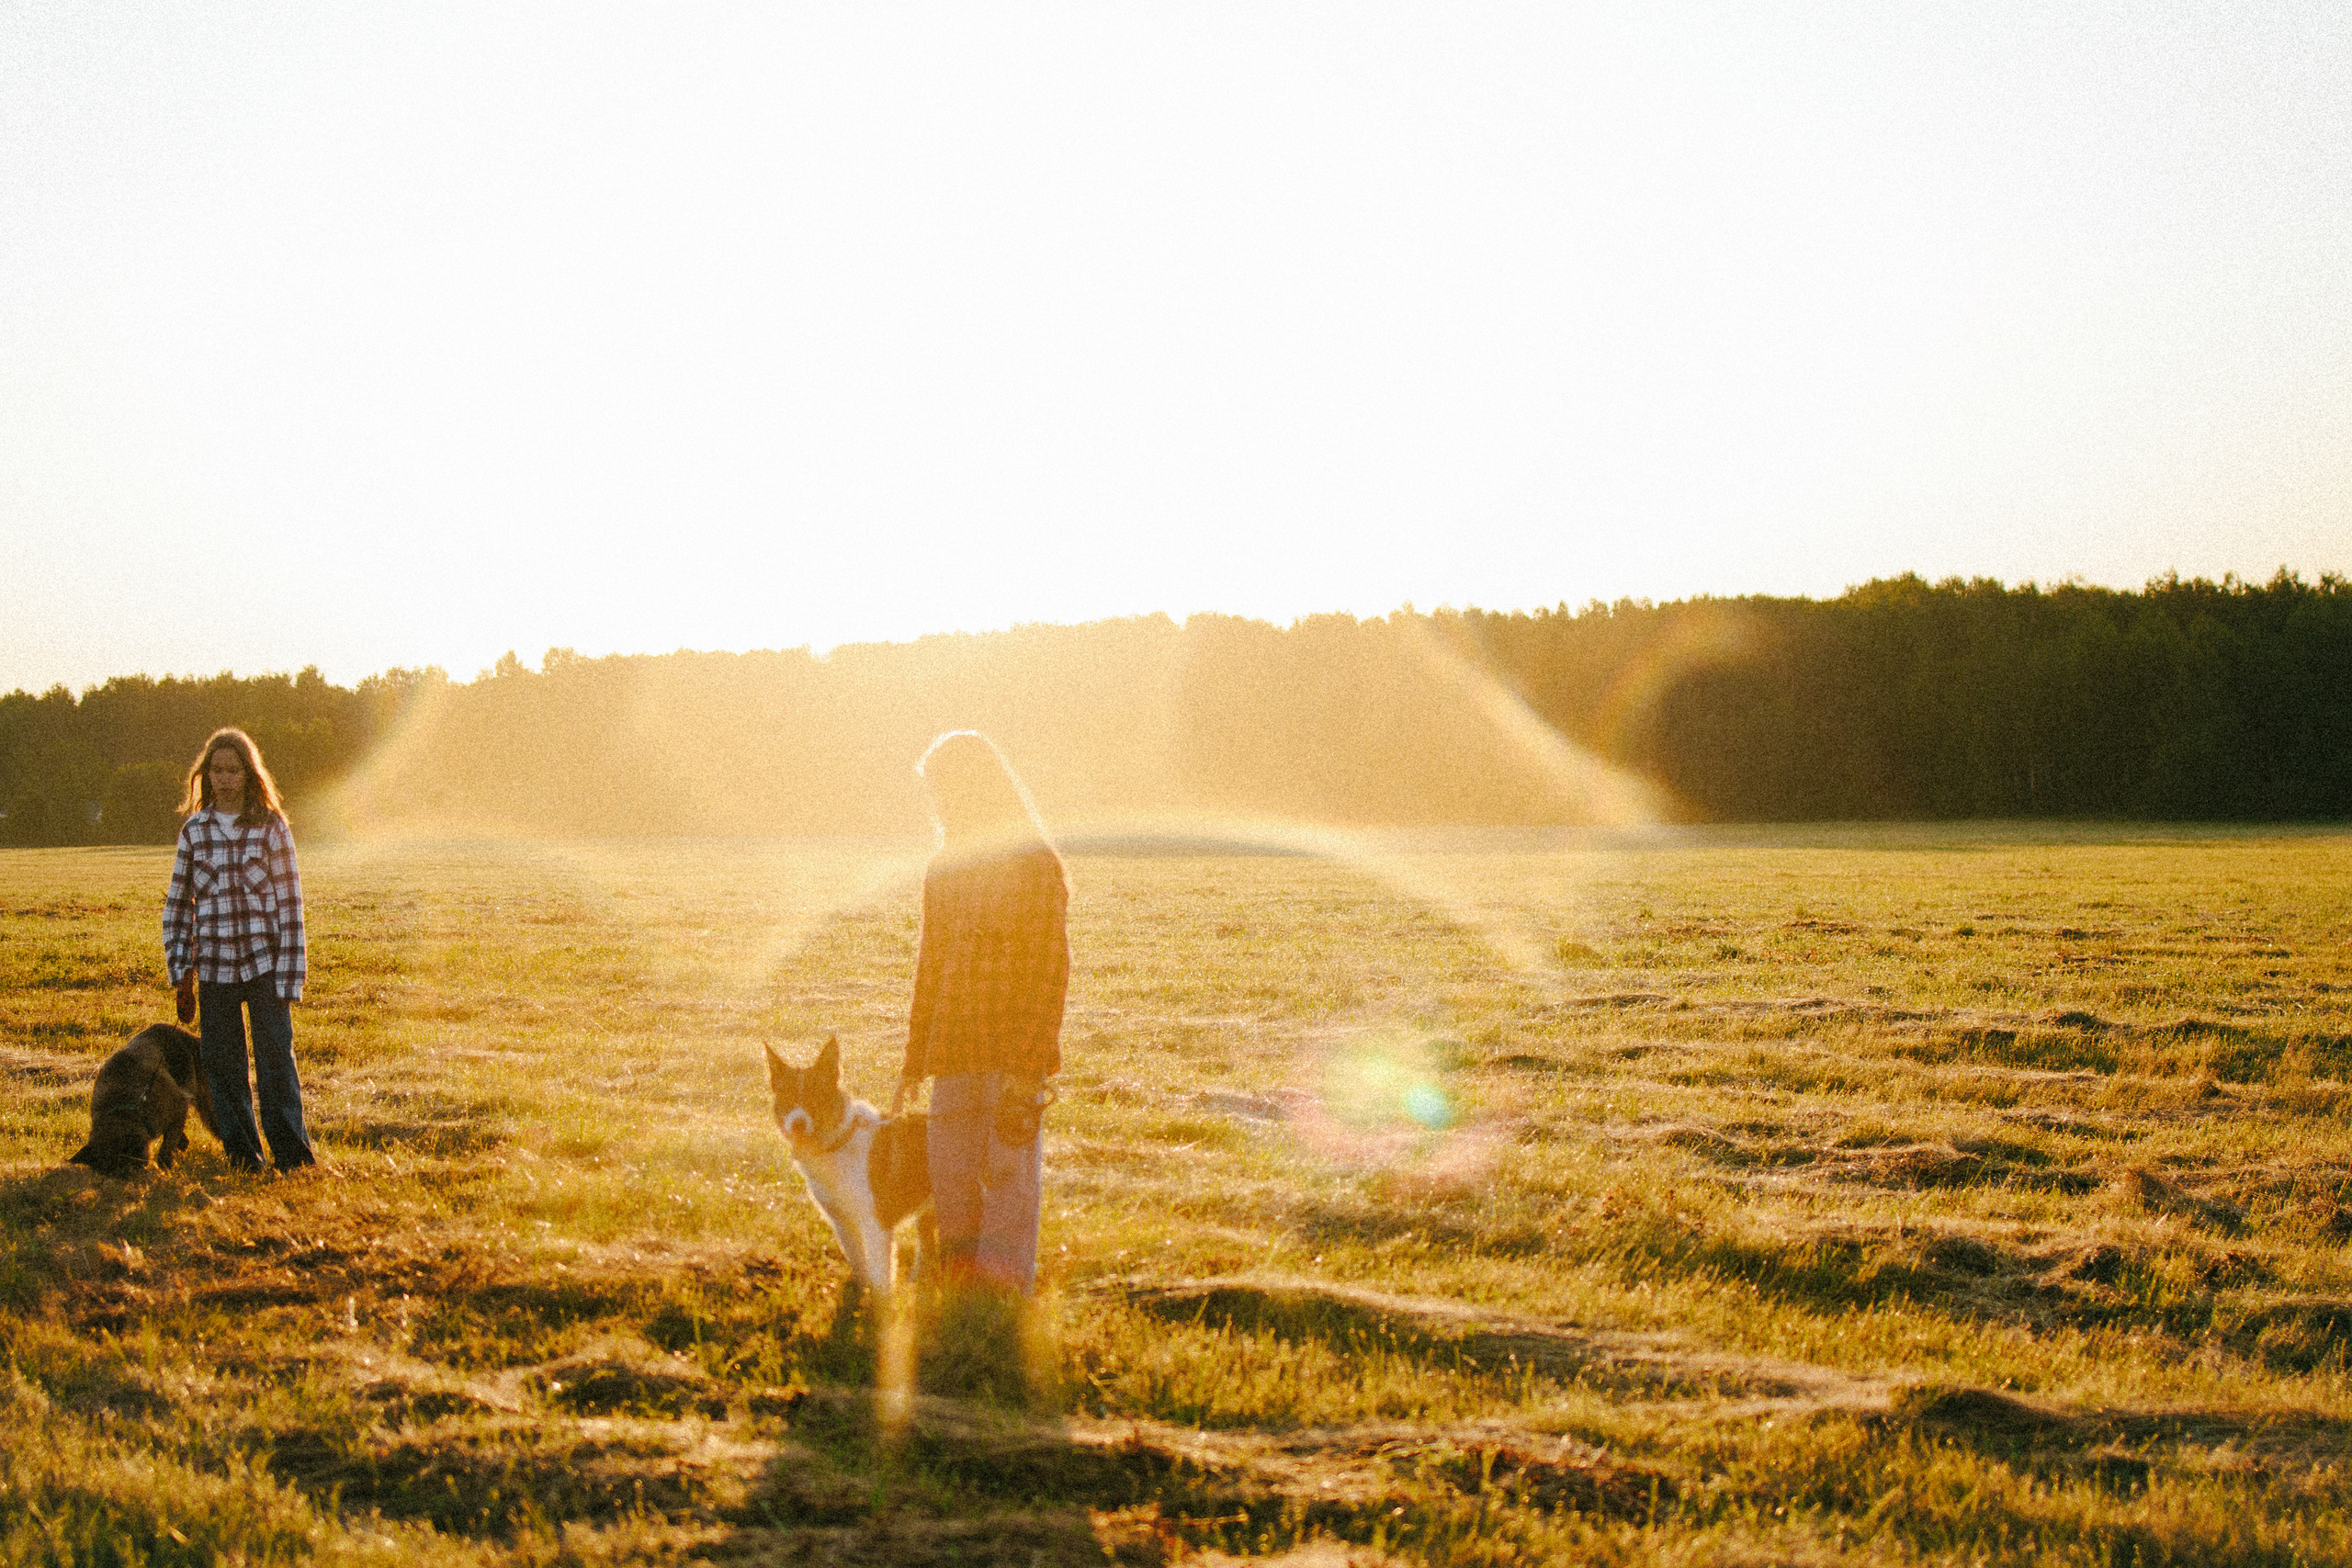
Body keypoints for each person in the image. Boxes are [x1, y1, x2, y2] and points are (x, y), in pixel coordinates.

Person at [894, 731, 1069, 1294]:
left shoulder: (1035, 863)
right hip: (953, 1049)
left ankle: (1004, 1298)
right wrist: (914, 1060)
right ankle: (962, 1291)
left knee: (1010, 1184)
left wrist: (1030, 1060)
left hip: (1013, 1050)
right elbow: (932, 962)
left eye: (943, 789)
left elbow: (1049, 970)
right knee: (952, 1183)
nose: (937, 802)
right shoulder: (945, 864)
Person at [162, 728, 317, 1174]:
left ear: (249, 774)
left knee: (275, 1066)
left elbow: (290, 903)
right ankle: (244, 1158)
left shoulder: (271, 826)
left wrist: (291, 975)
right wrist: (181, 972)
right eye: (217, 770)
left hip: (265, 967)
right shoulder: (195, 832)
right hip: (214, 971)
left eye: (234, 770)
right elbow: (177, 905)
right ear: (206, 775)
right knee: (225, 1071)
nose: (226, 779)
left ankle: (293, 1159)